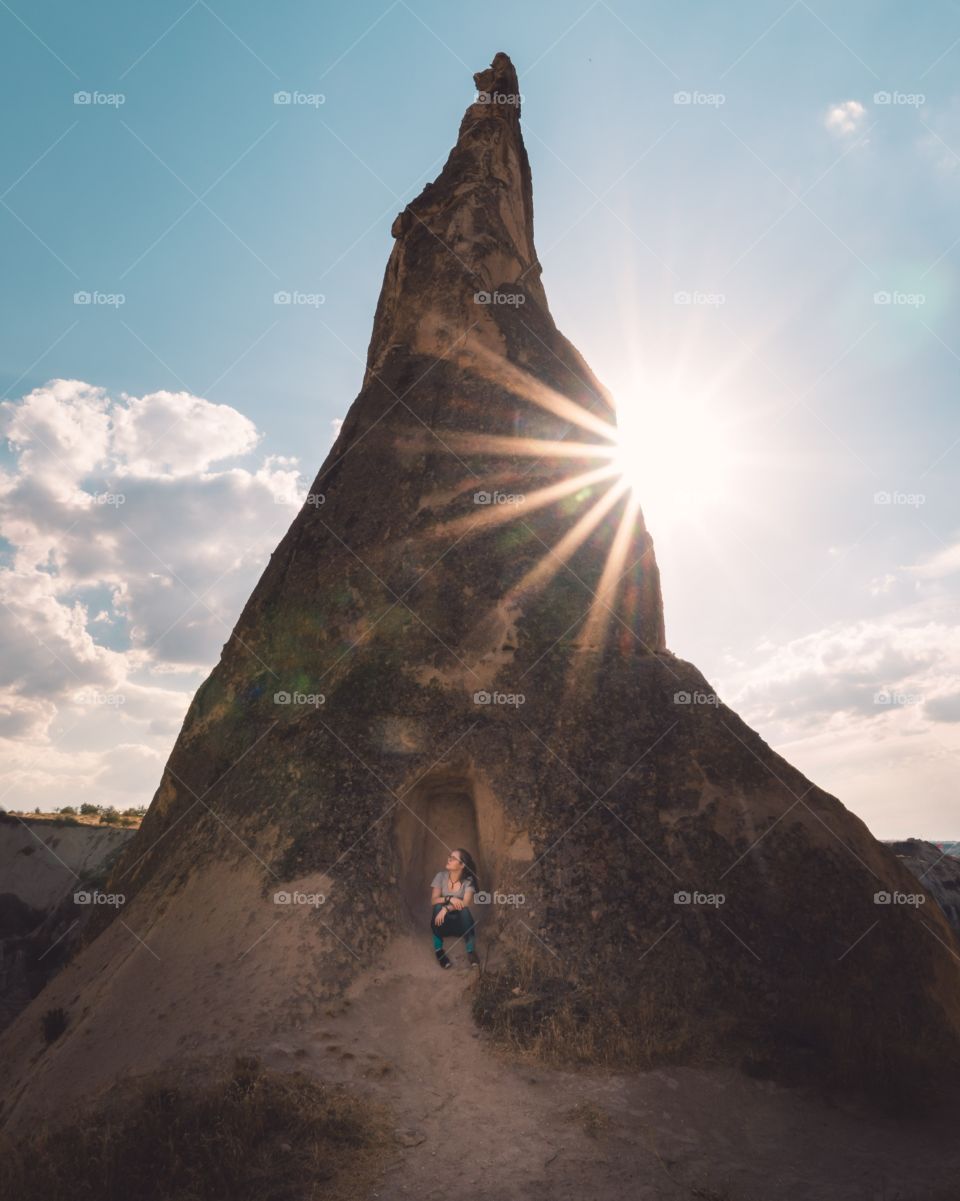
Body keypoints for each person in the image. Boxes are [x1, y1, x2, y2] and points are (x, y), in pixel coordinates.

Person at [430, 848, 480, 969]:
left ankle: (471, 951)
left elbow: (465, 903)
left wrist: (446, 908)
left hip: (461, 927)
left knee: (464, 910)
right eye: (449, 857)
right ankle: (439, 951)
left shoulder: (468, 881)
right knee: (437, 907)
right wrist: (450, 899)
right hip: (443, 925)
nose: (449, 859)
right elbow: (433, 900)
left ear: (462, 865)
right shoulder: (441, 876)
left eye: (453, 858)